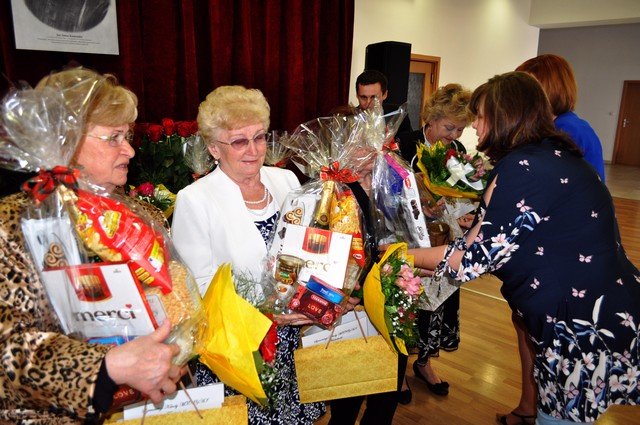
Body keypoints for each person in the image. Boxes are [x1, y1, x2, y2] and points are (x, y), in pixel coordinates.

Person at [408, 71, 640, 424]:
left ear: (505, 115)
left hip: (578, 327)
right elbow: (517, 233)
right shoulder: (555, 155)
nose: (475, 126)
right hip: (604, 311)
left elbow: (472, 259)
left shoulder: (523, 166)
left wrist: (401, 256)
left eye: (480, 116)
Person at [0, 67, 184, 423]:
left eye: (128, 136)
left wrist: (176, 351)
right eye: (114, 137)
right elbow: (8, 351)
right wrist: (107, 367)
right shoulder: (15, 223)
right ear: (67, 141)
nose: (130, 150)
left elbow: (171, 306)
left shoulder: (141, 216)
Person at [171, 85, 325, 424]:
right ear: (214, 147)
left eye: (259, 137)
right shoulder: (195, 199)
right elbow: (197, 287)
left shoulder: (286, 180)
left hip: (294, 339)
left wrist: (326, 290)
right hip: (241, 349)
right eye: (239, 141)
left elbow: (310, 247)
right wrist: (267, 313)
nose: (254, 150)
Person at [494, 54, 609, 425]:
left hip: (561, 267)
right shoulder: (545, 131)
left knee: (549, 348)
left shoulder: (569, 131)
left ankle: (540, 409)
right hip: (539, 262)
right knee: (527, 333)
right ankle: (528, 405)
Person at [397, 83, 474, 402]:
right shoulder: (403, 145)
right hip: (409, 241)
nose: (453, 135)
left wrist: (461, 212)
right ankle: (398, 371)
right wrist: (418, 204)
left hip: (443, 240)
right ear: (430, 118)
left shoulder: (458, 151)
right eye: (448, 127)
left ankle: (424, 363)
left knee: (437, 307)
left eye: (459, 129)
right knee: (406, 303)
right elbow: (387, 195)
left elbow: (463, 193)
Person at [355, 69, 413, 136]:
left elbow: (410, 141)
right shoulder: (348, 119)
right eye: (363, 97)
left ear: (385, 95)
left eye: (374, 97)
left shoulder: (398, 115)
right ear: (357, 96)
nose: (368, 103)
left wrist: (394, 141)